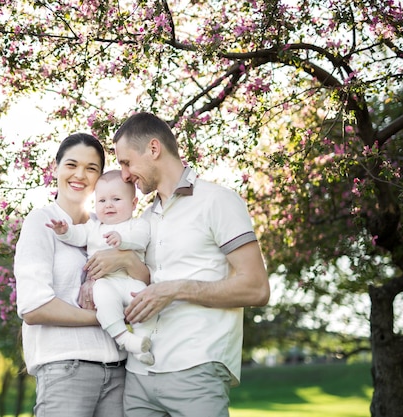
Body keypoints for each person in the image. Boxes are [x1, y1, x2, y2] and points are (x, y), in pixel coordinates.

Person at [84, 112, 270, 417]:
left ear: (154, 149)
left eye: (127, 162)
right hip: (139, 376)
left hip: (196, 369)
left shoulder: (217, 201)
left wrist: (175, 290)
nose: (126, 175)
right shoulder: (142, 221)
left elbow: (256, 287)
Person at [14, 133, 148, 417]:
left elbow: (145, 281)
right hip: (65, 368)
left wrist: (123, 258)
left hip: (118, 372)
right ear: (56, 168)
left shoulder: (109, 225)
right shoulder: (42, 223)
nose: (80, 175)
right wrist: (109, 319)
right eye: (72, 165)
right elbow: (33, 307)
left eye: (91, 168)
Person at [47, 169, 155, 366]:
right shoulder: (94, 227)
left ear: (133, 204)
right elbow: (77, 235)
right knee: (103, 299)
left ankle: (142, 341)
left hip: (132, 280)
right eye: (102, 200)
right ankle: (125, 339)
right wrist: (64, 231)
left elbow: (142, 239)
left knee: (145, 305)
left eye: (116, 199)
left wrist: (123, 241)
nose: (109, 205)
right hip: (107, 282)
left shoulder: (137, 225)